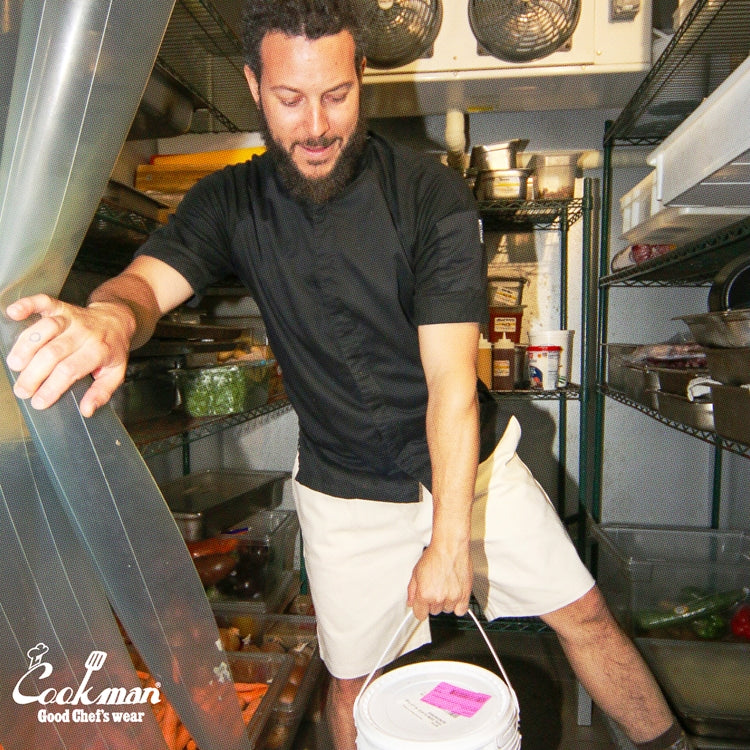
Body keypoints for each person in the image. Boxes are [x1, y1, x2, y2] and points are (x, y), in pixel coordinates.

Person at [5, 2, 691, 748]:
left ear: (363, 74)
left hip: (468, 466)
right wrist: (110, 319)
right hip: (343, 486)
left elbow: (451, 386)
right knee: (355, 682)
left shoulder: (429, 195)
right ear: (254, 86)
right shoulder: (230, 201)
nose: (316, 125)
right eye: (289, 99)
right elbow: (143, 285)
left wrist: (450, 541)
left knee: (585, 616)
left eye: (336, 95)